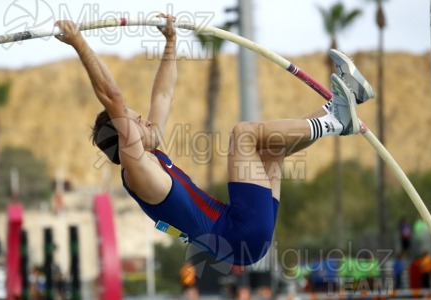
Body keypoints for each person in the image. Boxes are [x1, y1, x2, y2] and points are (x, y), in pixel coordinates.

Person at [54, 15, 375, 266]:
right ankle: (335, 121)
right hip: (241, 234)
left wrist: (170, 42)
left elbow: (163, 93)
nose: (143, 120)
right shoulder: (137, 169)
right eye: (135, 121)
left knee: (270, 149)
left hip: (246, 239)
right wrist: (79, 42)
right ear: (124, 139)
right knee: (244, 135)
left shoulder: (150, 153)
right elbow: (113, 98)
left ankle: (337, 107)